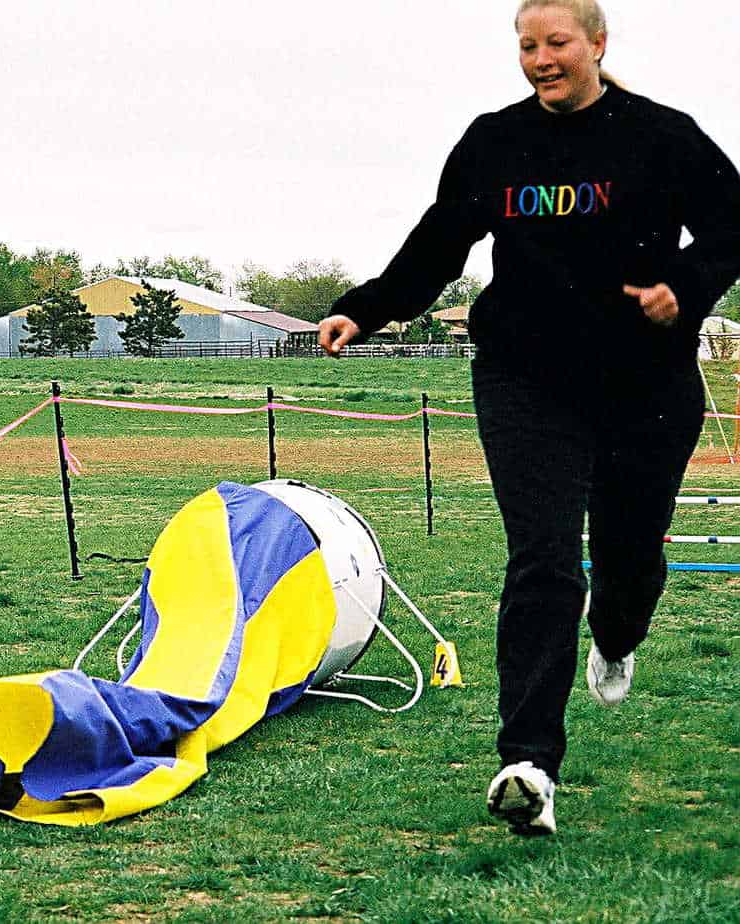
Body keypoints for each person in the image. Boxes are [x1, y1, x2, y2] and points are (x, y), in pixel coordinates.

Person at [317, 0, 740, 836]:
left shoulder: (661, 136)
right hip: (526, 378)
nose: (540, 58)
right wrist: (368, 309)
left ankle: (617, 637)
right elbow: (440, 243)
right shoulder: (494, 140)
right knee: (545, 559)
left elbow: (734, 228)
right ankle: (530, 764)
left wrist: (683, 291)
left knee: (626, 559)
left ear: (596, 45)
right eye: (526, 46)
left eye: (556, 43)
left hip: (644, 381)